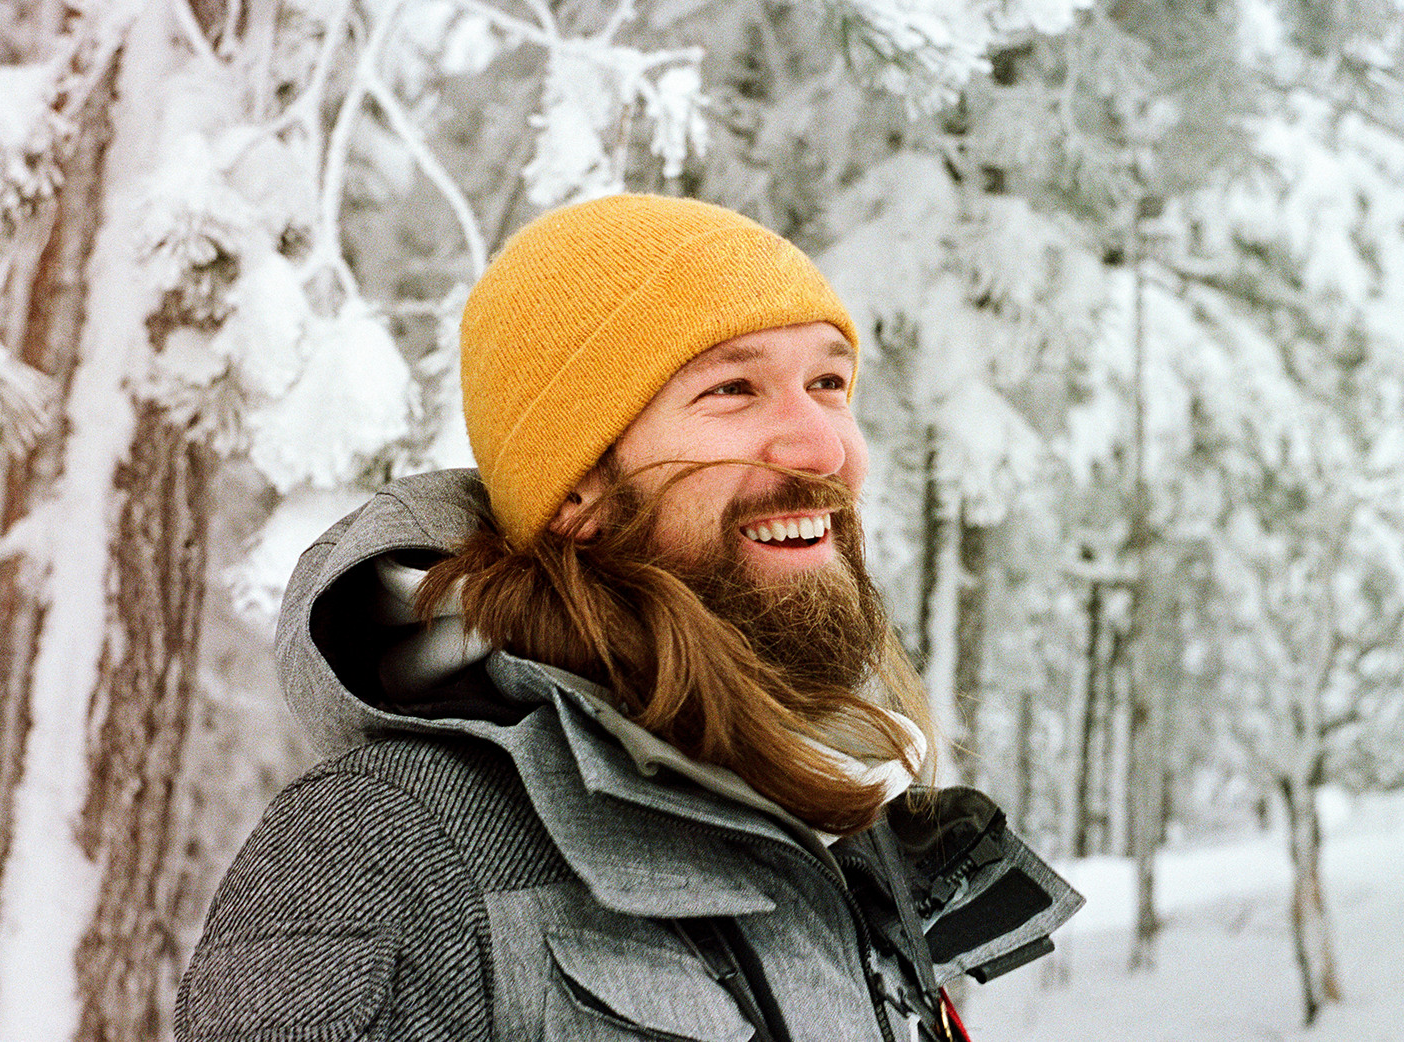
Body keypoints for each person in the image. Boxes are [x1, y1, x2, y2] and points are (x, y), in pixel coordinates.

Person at [175, 194, 1080, 1042]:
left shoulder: (816, 839)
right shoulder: (392, 842)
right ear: (577, 488)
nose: (823, 446)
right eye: (732, 389)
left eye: (830, 383)